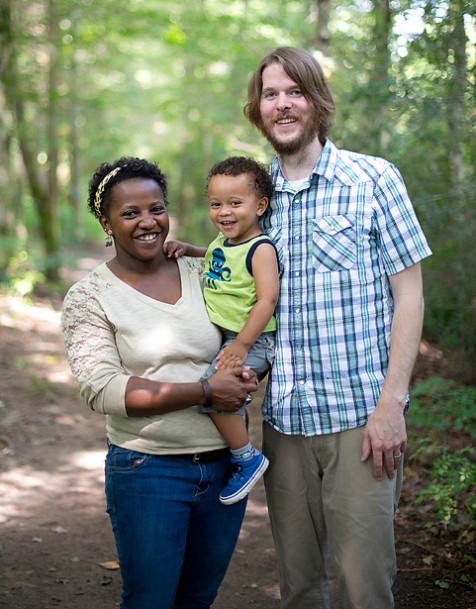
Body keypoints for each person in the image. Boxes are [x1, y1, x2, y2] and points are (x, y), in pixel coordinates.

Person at [244, 47, 432, 609]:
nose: (282, 104)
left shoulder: (373, 179)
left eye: (294, 92)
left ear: (317, 103)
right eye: (270, 94)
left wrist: (391, 407)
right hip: (285, 423)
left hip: (361, 422)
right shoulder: (258, 199)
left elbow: (410, 293)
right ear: (257, 109)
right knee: (299, 587)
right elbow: (236, 276)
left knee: (362, 587)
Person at [61, 156, 259, 609]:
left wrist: (248, 369)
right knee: (150, 600)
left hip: (226, 468)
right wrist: (207, 391)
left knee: (198, 598)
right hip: (148, 469)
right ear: (106, 223)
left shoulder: (202, 273)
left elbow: (250, 304)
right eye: (130, 213)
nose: (148, 222)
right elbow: (104, 390)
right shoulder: (89, 297)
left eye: (156, 208)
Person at [165, 156, 280, 505]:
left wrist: (243, 345)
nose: (224, 212)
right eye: (216, 204)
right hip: (233, 339)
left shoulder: (260, 249)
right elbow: (217, 259)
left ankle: (246, 457)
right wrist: (189, 250)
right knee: (216, 390)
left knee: (216, 393)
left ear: (260, 206)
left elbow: (267, 301)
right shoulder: (224, 241)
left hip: (254, 339)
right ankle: (238, 453)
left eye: (235, 203)